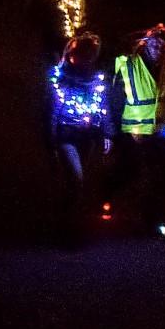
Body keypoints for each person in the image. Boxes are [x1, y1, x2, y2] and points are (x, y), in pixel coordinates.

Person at [110, 23, 165, 235]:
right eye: (154, 44)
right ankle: (109, 199)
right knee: (129, 171)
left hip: (158, 130)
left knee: (161, 176)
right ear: (146, 44)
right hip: (133, 129)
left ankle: (153, 221)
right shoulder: (129, 62)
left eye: (162, 45)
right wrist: (119, 129)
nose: (158, 49)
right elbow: (116, 96)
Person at [46, 32, 113, 245]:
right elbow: (50, 111)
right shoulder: (60, 77)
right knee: (76, 179)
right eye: (86, 54)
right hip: (66, 135)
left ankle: (64, 222)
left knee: (76, 184)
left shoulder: (96, 79)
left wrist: (106, 133)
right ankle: (66, 231)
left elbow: (103, 107)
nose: (89, 59)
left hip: (87, 138)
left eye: (93, 55)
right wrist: (51, 144)